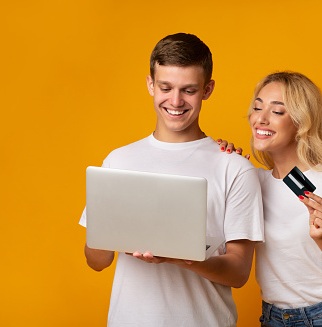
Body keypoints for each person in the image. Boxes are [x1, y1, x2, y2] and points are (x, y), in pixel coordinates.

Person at [79, 33, 264, 327]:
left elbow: (239, 271)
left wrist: (181, 257)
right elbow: (97, 261)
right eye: (165, 87)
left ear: (207, 89)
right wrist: (113, 232)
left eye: (189, 90)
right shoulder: (118, 161)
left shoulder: (235, 167)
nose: (175, 101)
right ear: (151, 84)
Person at [219, 71, 322, 326]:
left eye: (278, 112)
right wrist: (223, 166)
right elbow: (222, 248)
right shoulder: (251, 181)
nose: (261, 119)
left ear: (302, 122)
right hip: (274, 319)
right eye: (257, 108)